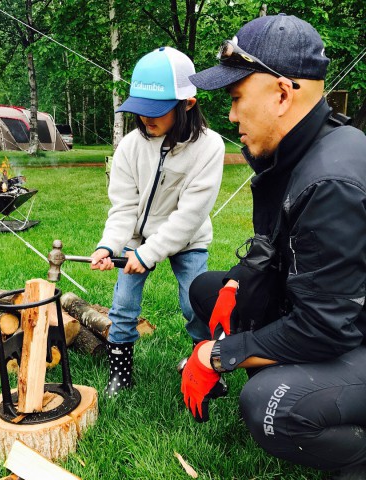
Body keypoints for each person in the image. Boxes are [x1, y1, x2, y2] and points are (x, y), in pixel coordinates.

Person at [180, 13, 366, 479]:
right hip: (342, 318)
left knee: (269, 406)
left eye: (238, 97)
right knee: (208, 289)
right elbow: (276, 254)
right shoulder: (301, 150)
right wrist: (234, 289)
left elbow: (325, 329)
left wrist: (218, 355)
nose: (231, 115)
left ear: (283, 94)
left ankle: (356, 455)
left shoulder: (331, 181)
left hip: (349, 332)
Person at [90, 46, 225, 397]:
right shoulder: (130, 147)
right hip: (136, 238)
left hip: (187, 239)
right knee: (122, 307)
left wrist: (149, 254)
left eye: (157, 110)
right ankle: (120, 373)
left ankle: (207, 368)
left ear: (188, 104)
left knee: (195, 304)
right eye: (140, 109)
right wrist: (110, 245)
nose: (146, 118)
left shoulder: (210, 147)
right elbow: (123, 207)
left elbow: (189, 215)